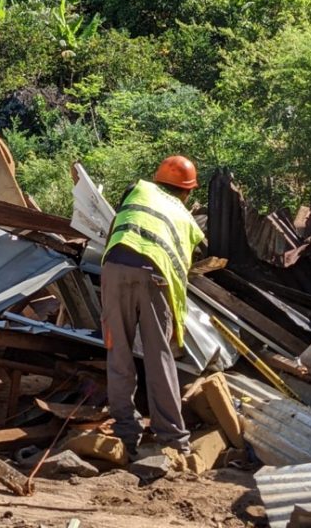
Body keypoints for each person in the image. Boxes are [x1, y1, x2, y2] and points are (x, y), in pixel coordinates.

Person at [101, 155, 204, 456]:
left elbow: (112, 235)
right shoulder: (186, 220)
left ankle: (125, 434)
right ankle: (172, 439)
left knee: (118, 352)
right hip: (156, 276)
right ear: (187, 192)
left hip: (115, 267)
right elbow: (179, 276)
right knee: (159, 356)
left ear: (157, 180)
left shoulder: (137, 190)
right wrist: (176, 329)